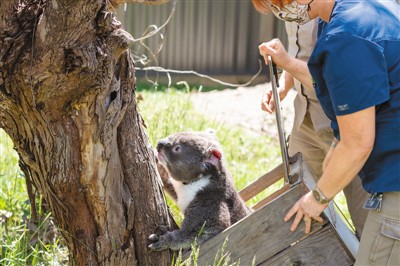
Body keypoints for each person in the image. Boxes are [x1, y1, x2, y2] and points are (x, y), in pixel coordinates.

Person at [253, 0, 400, 265]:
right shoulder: (355, 10)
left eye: (279, 5)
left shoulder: (345, 35)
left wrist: (318, 198)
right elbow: (339, 84)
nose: (282, 12)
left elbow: (357, 142)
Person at [253, 7, 369, 237]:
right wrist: (284, 86)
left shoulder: (331, 7)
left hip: (342, 118)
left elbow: (332, 75)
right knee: (298, 200)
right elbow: (302, 53)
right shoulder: (291, 6)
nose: (277, 10)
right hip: (304, 115)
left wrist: (286, 61)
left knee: (364, 210)